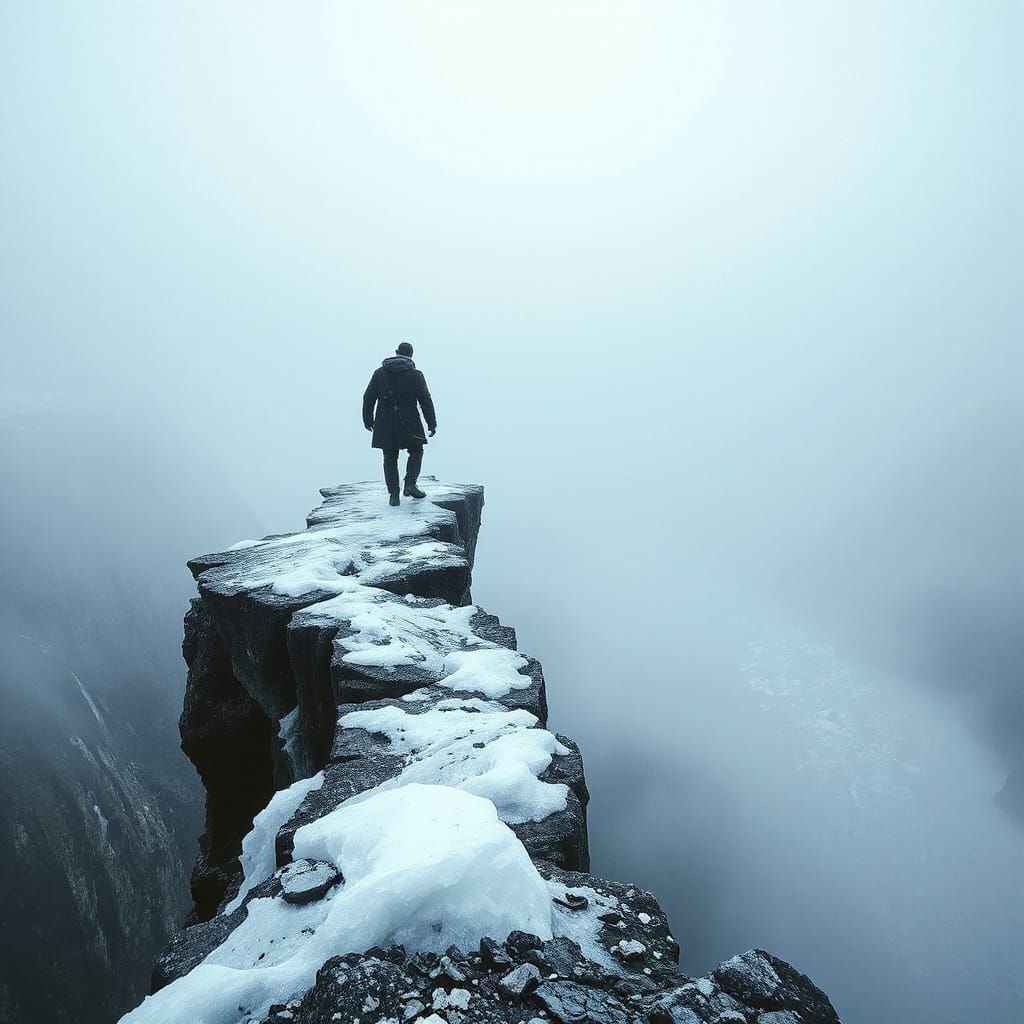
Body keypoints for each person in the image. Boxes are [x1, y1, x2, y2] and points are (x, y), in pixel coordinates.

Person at [362, 342, 437, 506]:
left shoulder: (379, 373)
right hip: (409, 420)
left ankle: (393, 495)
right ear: (411, 355)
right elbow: (425, 400)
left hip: (384, 421)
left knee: (389, 456)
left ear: (396, 353)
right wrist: (431, 423)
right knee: (416, 451)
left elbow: (368, 397)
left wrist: (368, 419)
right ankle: (410, 484)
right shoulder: (416, 375)